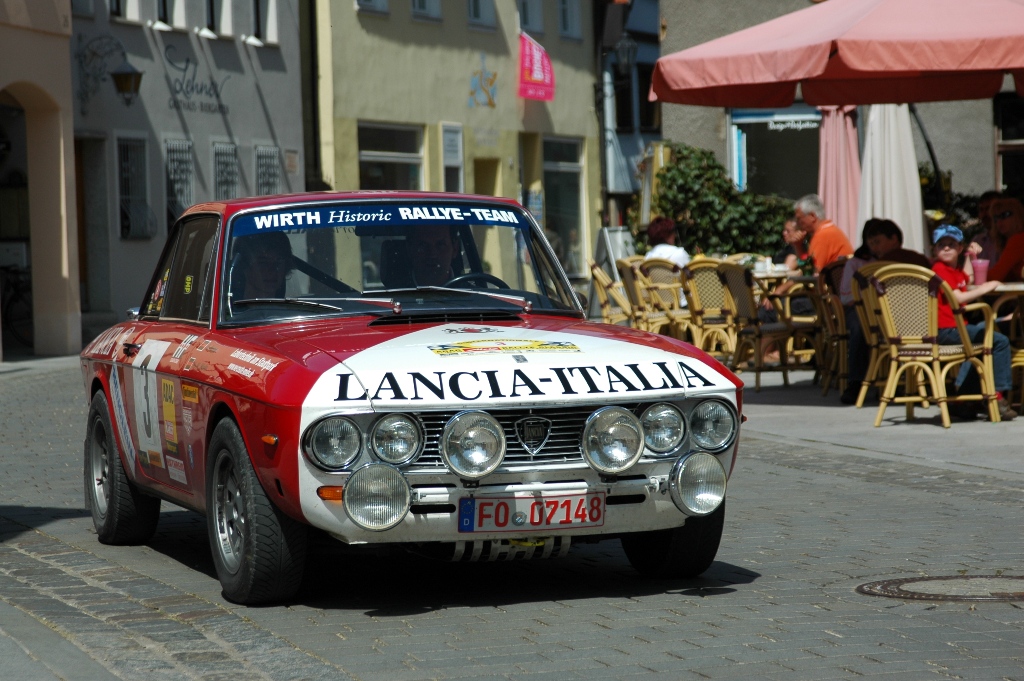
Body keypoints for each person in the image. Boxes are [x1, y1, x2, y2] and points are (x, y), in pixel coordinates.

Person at [838, 219, 929, 404]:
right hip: (869, 311)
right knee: (859, 326)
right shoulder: (859, 263)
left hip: (901, 314)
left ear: (894, 239)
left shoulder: (905, 260)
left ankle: (918, 381)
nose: (874, 247)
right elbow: (847, 297)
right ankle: (856, 382)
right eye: (871, 243)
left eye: (877, 242)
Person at [930, 224, 1016, 421]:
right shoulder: (939, 269)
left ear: (959, 248)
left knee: (984, 334)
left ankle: (966, 400)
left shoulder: (953, 271)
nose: (946, 248)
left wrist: (970, 256)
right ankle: (996, 396)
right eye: (941, 245)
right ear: (934, 250)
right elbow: (958, 297)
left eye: (951, 244)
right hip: (946, 330)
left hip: (954, 329)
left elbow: (966, 279)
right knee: (999, 341)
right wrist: (987, 287)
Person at [794, 194, 854, 272]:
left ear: (812, 216)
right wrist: (798, 246)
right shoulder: (830, 230)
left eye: (799, 219)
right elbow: (808, 267)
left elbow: (812, 272)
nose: (797, 223)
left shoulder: (822, 235)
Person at [234, 232, 293, 299]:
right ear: (244, 265)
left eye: (278, 262)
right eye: (263, 262)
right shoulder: (226, 305)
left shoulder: (298, 305)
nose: (272, 270)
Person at [985, 197, 1024, 284]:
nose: (999, 221)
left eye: (1005, 215)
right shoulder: (1012, 240)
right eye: (995, 218)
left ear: (1018, 215)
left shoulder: (1018, 240)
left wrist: (970, 275)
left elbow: (995, 276)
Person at [967, 190, 1004, 262]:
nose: (984, 214)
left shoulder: (1011, 240)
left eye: (988, 208)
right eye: (981, 210)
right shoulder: (978, 241)